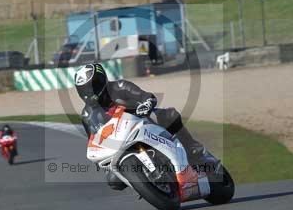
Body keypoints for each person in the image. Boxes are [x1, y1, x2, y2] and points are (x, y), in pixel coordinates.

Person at [74, 62, 205, 191]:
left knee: (169, 115)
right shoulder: (87, 115)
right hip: (120, 144)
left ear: (102, 80)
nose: (89, 93)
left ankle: (191, 146)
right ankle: (145, 184)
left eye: (93, 86)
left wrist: (146, 104)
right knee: (113, 180)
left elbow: (146, 96)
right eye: (84, 89)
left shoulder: (120, 87)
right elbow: (94, 140)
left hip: (143, 122)